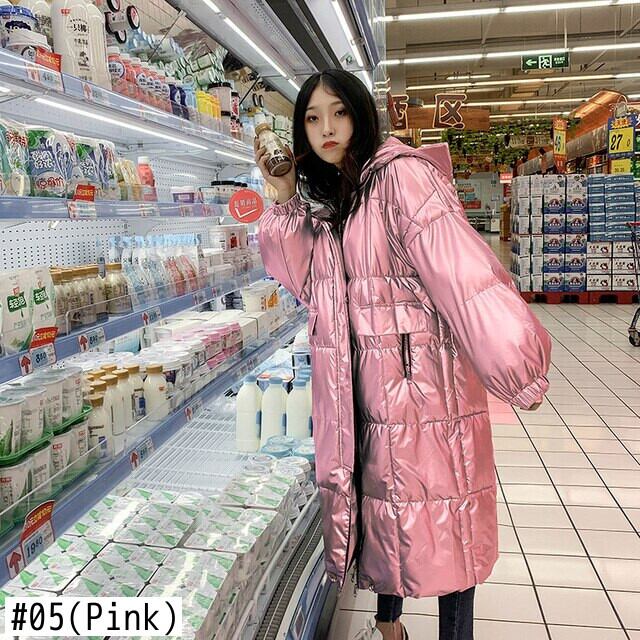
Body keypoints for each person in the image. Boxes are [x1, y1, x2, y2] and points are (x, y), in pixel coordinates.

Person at [256, 70, 552, 640]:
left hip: (428, 392)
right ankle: (389, 628)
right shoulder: (342, 195)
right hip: (373, 395)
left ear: (361, 114)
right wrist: (285, 195)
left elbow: (464, 276)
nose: (326, 128)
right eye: (312, 118)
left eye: (338, 112)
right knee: (392, 516)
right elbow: (303, 277)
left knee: (449, 523)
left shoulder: (401, 177)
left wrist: (517, 365)